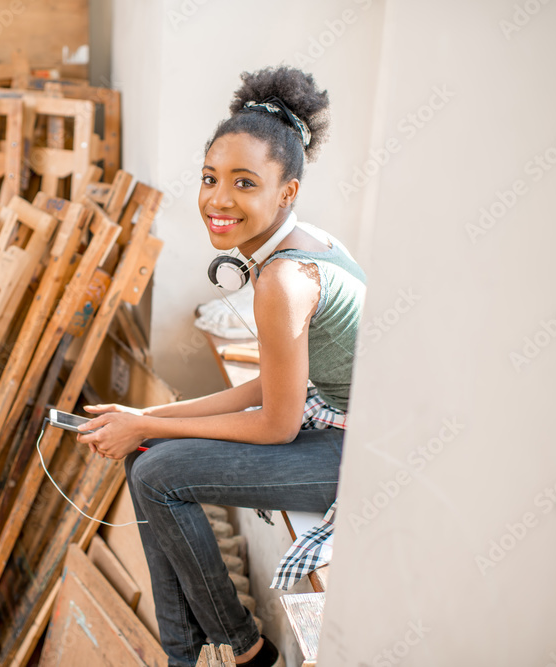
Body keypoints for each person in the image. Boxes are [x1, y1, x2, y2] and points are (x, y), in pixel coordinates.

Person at [77, 66, 366, 667]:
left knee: (156, 473)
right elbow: (271, 383)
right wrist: (145, 417)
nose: (217, 199)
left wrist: (151, 427)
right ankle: (193, 652)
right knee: (147, 457)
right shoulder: (304, 244)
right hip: (338, 422)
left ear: (286, 192)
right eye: (210, 179)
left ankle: (239, 649)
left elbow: (277, 424)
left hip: (362, 452)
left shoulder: (284, 278)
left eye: (243, 183)